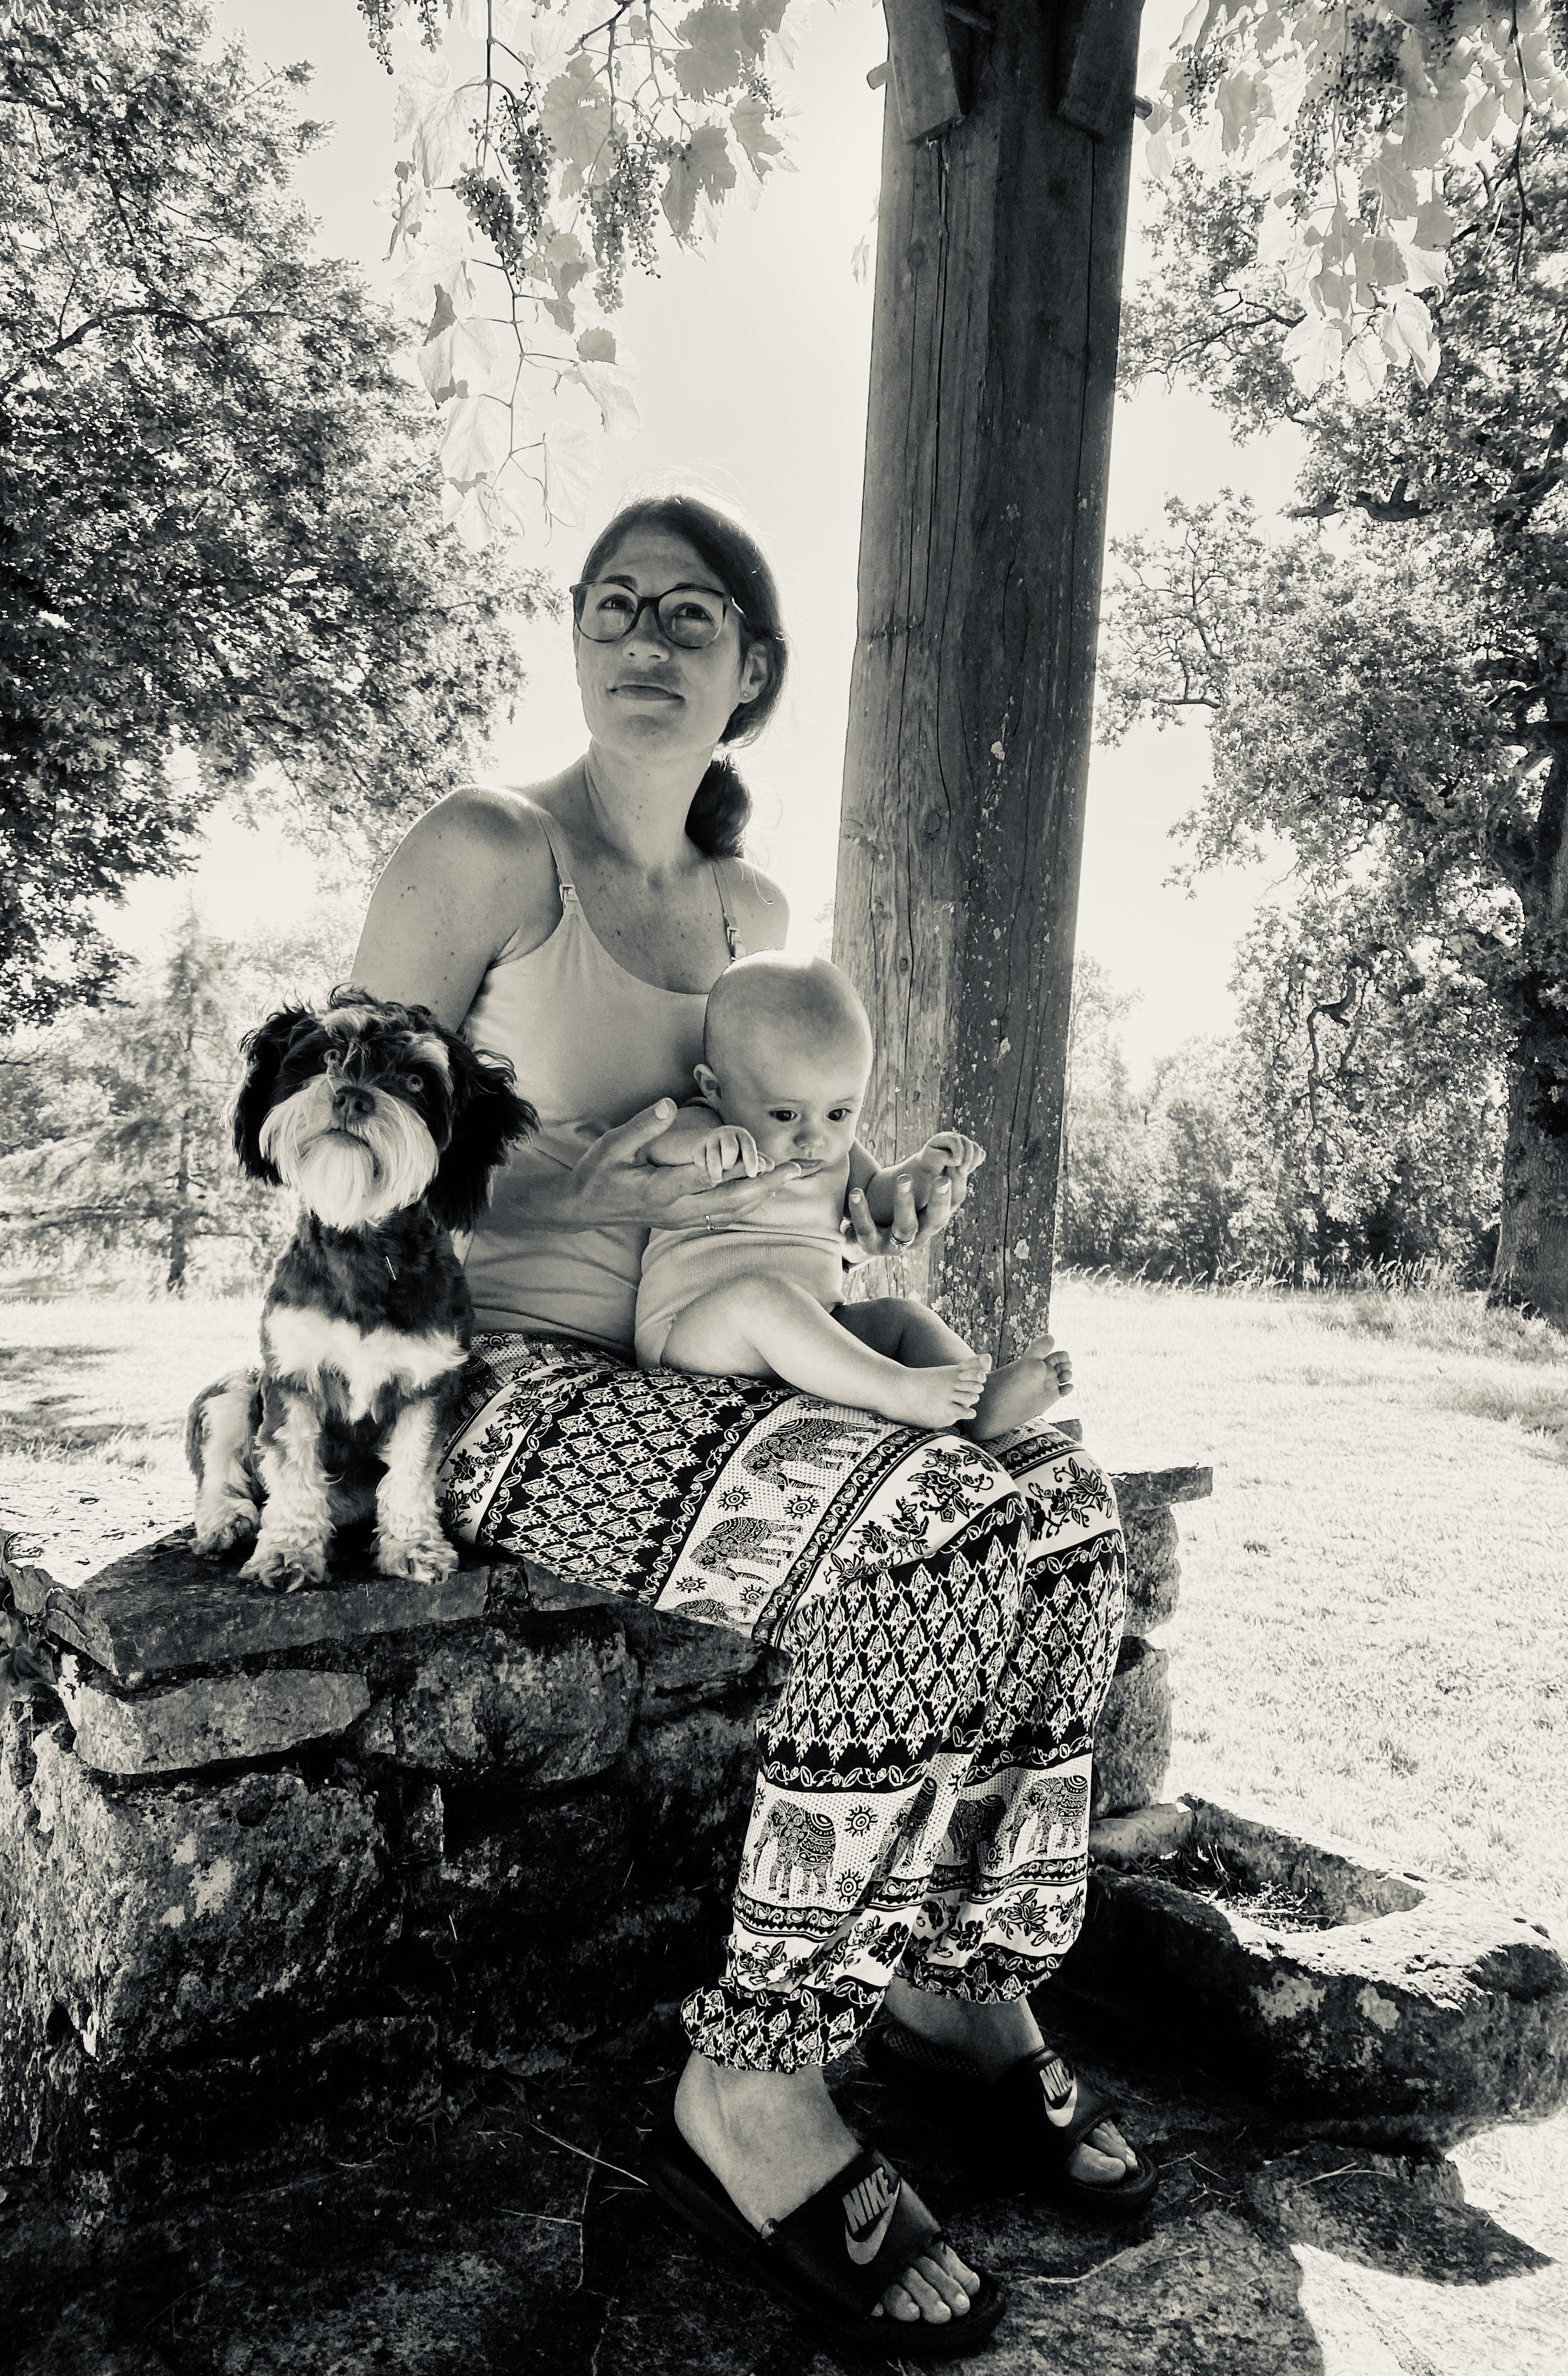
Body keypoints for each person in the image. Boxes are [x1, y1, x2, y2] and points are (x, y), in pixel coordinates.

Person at [349, 490, 1154, 2353]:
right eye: (613, 605)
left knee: (1059, 1506)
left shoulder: (753, 915)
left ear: (752, 673)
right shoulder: (484, 851)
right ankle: (759, 2074)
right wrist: (554, 1169)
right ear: (571, 636)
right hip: (501, 1385)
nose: (646, 637)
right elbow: (335, 1155)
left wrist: (858, 1224)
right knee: (925, 1523)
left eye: (689, 617)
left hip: (705, 1360)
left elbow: (781, 1177)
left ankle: (959, 1980)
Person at [634, 946, 1077, 1434]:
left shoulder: (834, 1153)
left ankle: (982, 1402)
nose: (814, 1137)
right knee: (761, 1297)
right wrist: (711, 1147)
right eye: (785, 1115)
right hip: (693, 1339)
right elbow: (658, 1149)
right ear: (715, 1088)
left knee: (902, 1317)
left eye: (839, 1114)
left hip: (821, 1332)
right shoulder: (704, 1120)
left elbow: (876, 1195)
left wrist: (922, 1173)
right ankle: (897, 1390)